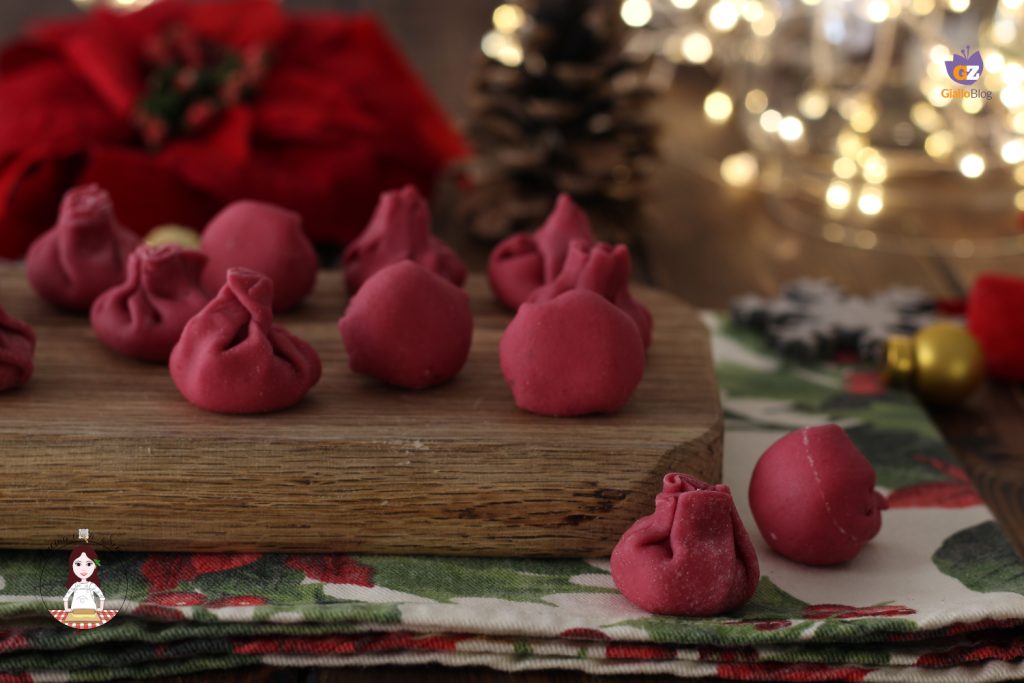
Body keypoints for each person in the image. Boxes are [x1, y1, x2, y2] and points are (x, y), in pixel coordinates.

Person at [62, 544, 105, 623]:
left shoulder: (91, 585)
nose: (83, 569)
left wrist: (100, 608)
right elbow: (66, 597)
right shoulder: (75, 585)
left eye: (89, 564)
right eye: (78, 564)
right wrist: (67, 609)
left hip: (91, 611)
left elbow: (101, 596)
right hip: (75, 611)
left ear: (95, 566)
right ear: (72, 566)